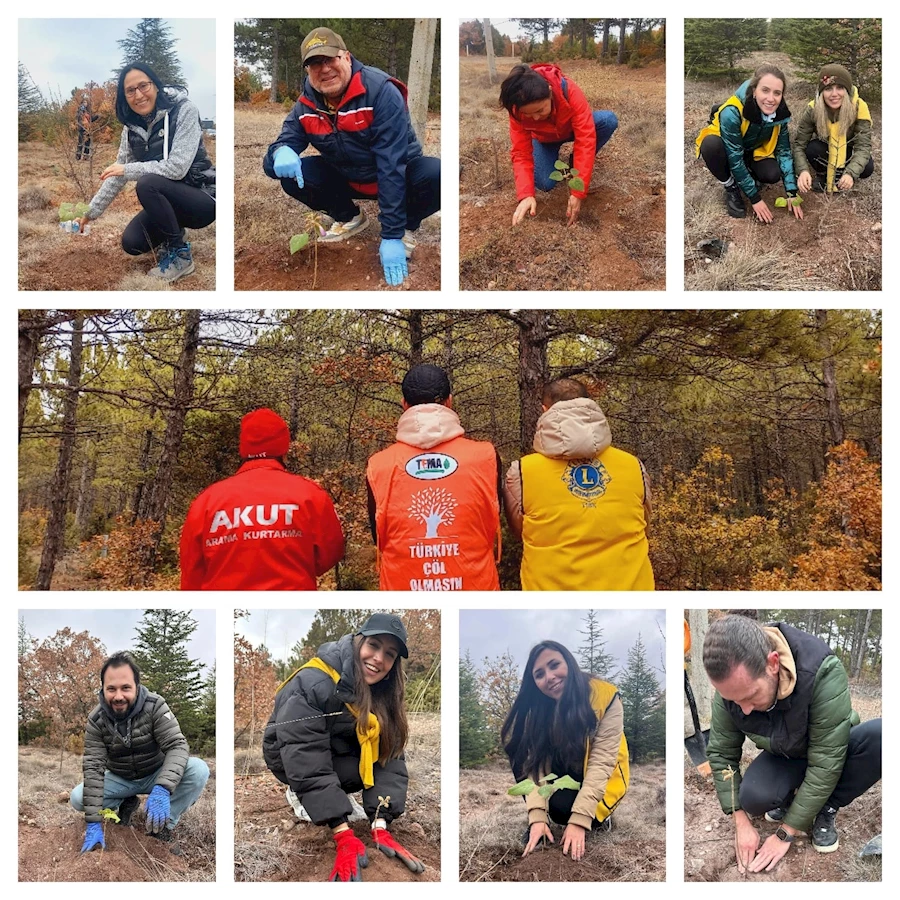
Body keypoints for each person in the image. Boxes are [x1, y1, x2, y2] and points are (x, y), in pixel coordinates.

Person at [702, 614, 882, 874]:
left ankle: (827, 805)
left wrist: (785, 833)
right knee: (752, 798)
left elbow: (825, 764)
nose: (744, 710)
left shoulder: (821, 671)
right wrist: (739, 819)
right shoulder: (732, 692)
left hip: (830, 750)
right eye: (734, 700)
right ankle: (791, 798)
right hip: (787, 754)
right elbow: (721, 753)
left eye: (751, 696)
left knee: (883, 736)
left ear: (773, 664)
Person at [263, 27, 441, 287]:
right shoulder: (305, 105)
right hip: (348, 176)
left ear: (346, 57)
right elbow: (278, 152)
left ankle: (405, 226)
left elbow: (391, 164)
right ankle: (349, 217)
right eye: (314, 64)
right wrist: (279, 153)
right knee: (293, 177)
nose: (324, 69)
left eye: (329, 59)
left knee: (440, 174)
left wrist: (390, 235)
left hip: (398, 175)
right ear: (307, 71)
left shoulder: (380, 92)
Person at [263, 614, 425, 882]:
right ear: (358, 641)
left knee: (376, 749)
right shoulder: (312, 682)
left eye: (390, 654)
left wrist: (380, 821)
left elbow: (390, 755)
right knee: (309, 766)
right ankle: (298, 793)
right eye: (373, 645)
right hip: (289, 755)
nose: (378, 659)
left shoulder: (382, 691)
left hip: (337, 747)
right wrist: (343, 833)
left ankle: (336, 798)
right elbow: (304, 752)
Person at [503, 378, 653, 590]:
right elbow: (643, 522)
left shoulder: (522, 471)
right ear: (590, 407)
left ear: (544, 410)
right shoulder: (633, 466)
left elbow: (520, 531)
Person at [366, 363, 501, 591]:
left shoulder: (378, 465)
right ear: (449, 401)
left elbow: (378, 535)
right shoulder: (486, 456)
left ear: (404, 405)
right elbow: (493, 522)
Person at [77, 62, 216, 283]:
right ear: (124, 97)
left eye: (144, 86)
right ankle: (174, 231)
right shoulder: (130, 128)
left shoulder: (184, 110)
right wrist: (90, 213)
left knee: (147, 183)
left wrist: (127, 169)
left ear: (156, 86)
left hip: (203, 198)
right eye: (130, 90)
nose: (138, 95)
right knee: (132, 243)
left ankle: (180, 255)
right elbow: (117, 175)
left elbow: (177, 168)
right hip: (171, 199)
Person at [180, 407, 344, 590]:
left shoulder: (206, 502)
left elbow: (192, 574)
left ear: (243, 449)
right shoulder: (310, 495)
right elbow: (330, 553)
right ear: (284, 449)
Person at [502, 641, 629, 862]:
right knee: (519, 750)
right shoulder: (540, 708)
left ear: (569, 663)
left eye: (554, 665)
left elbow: (602, 762)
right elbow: (535, 764)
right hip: (566, 769)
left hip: (603, 775)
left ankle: (600, 819)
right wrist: (537, 817)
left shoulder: (605, 697)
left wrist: (579, 820)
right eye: (539, 674)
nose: (549, 677)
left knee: (567, 810)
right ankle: (543, 826)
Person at [72, 651, 209, 854]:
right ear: (102, 688)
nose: (118, 696)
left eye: (125, 688)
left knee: (199, 769)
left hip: (156, 773)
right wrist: (93, 822)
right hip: (121, 777)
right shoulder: (96, 720)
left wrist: (163, 787)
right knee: (77, 797)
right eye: (111, 689)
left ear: (137, 686)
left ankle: (162, 826)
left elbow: (177, 746)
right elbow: (93, 767)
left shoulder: (155, 706)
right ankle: (127, 802)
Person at [500, 63, 618, 228]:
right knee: (544, 183)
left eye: (540, 110)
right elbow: (521, 152)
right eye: (528, 114)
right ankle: (552, 157)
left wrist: (578, 191)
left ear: (549, 91)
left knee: (607, 120)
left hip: (571, 130)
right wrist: (526, 194)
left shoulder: (568, 90)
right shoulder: (516, 109)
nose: (535, 118)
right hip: (543, 140)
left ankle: (573, 162)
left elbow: (585, 139)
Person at [696, 63, 803, 223]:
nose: (771, 99)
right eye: (765, 90)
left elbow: (784, 151)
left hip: (753, 149)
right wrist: (755, 198)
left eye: (777, 93)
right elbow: (734, 157)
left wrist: (792, 192)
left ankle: (748, 174)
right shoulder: (732, 112)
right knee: (710, 145)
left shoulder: (779, 114)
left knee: (772, 174)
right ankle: (731, 186)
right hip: (728, 148)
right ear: (754, 90)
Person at [793, 64, 874, 195]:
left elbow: (863, 147)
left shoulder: (859, 107)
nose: (834, 94)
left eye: (840, 88)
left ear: (847, 90)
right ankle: (824, 176)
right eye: (828, 88)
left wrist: (851, 173)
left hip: (848, 150)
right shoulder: (813, 109)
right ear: (821, 92)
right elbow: (799, 145)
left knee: (867, 167)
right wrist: (802, 170)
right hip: (827, 147)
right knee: (812, 148)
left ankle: (845, 178)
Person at [75, 94, 98, 161]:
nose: (85, 103)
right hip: (82, 129)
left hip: (88, 129)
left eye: (86, 102)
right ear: (81, 103)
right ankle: (78, 157)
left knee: (88, 142)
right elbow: (79, 119)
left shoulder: (87, 111)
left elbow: (90, 120)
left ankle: (86, 156)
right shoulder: (80, 111)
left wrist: (96, 116)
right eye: (84, 102)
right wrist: (82, 126)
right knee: (81, 142)